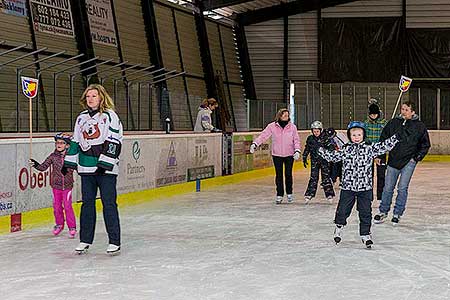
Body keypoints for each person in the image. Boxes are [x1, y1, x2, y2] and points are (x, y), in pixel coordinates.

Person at [318, 121, 404, 248]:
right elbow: (333, 157)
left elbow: (384, 146)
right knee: (342, 211)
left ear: (364, 135)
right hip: (348, 187)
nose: (356, 137)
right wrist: (318, 149)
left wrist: (396, 137)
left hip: (365, 188)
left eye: (359, 135)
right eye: (354, 135)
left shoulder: (369, 148)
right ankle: (339, 227)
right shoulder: (346, 149)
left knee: (365, 212)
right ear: (349, 136)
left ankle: (365, 234)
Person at [64, 84, 123, 255]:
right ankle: (85, 240)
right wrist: (70, 163)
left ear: (101, 97)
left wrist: (105, 163)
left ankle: (114, 241)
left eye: (94, 96)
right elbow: (76, 140)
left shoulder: (110, 116)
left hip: (105, 170)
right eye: (88, 96)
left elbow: (115, 140)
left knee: (109, 204)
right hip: (86, 168)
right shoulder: (81, 118)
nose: (90, 99)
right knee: (87, 204)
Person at [374, 101, 431, 225]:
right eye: (402, 109)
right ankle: (383, 211)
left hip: (408, 162)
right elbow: (383, 139)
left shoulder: (419, 126)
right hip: (393, 160)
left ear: (412, 112)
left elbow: (425, 144)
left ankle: (397, 213)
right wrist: (380, 155)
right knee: (388, 187)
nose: (403, 112)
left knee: (402, 188)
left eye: (406, 110)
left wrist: (416, 158)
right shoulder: (394, 123)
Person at [29, 132, 76, 238]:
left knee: (68, 206)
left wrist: (69, 168)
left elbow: (76, 166)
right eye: (57, 143)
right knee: (57, 206)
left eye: (62, 143)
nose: (58, 145)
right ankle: (59, 224)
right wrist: (35, 164)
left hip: (67, 186)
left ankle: (72, 227)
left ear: (67, 145)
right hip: (56, 186)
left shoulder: (71, 156)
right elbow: (43, 167)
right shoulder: (53, 156)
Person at [249, 108, 301, 204]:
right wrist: (255, 144)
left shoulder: (292, 127)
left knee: (288, 174)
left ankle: (289, 193)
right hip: (277, 155)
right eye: (284, 115)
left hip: (289, 154)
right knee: (279, 175)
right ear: (279, 116)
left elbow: (296, 140)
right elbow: (263, 136)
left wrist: (297, 150)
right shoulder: (272, 126)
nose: (286, 117)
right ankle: (279, 194)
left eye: (287, 115)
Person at [302, 121, 335, 204]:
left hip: (324, 161)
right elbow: (307, 148)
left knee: (326, 177)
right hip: (314, 161)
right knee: (313, 177)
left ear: (321, 130)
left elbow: (331, 147)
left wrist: (330, 155)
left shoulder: (325, 138)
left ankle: (329, 194)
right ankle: (309, 194)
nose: (316, 133)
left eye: (317, 131)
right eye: (314, 131)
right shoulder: (310, 138)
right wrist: (304, 156)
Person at [364, 100, 388, 200]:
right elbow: (363, 137)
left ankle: (381, 195)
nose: (373, 116)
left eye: (375, 114)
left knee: (381, 174)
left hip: (380, 151)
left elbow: (387, 136)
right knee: (369, 174)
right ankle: (369, 195)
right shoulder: (366, 124)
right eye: (371, 114)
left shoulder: (383, 123)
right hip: (369, 151)